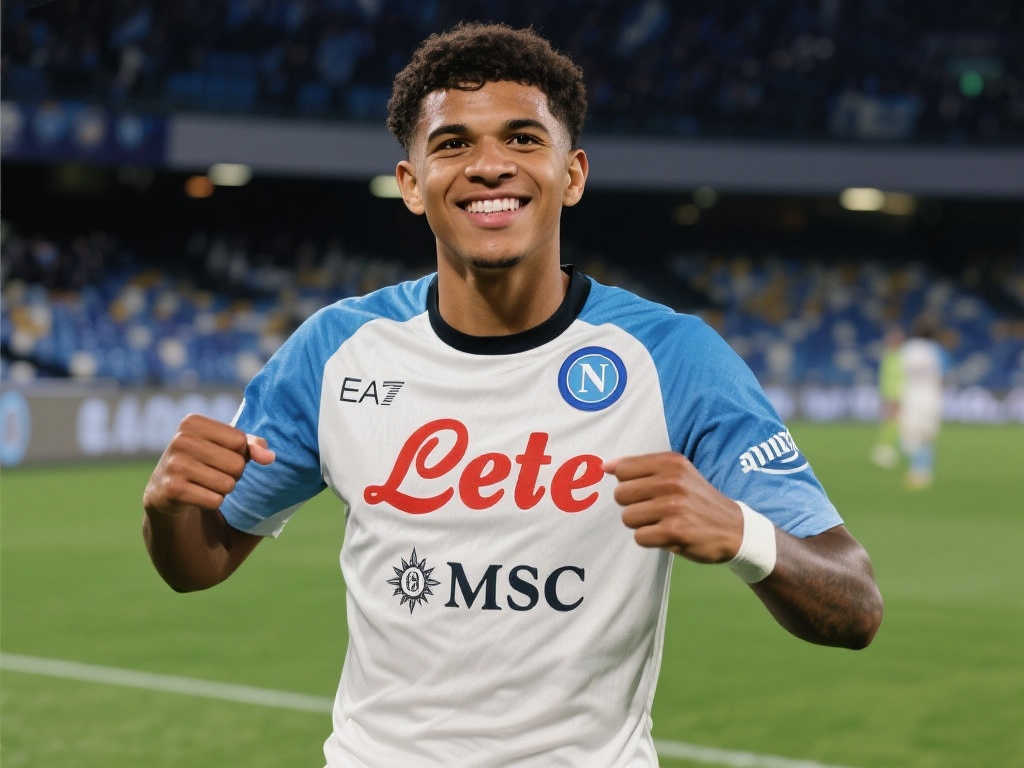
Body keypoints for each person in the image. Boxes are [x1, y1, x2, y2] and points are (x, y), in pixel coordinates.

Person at [142, 23, 883, 767]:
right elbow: (199, 562)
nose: (490, 166)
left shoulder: (673, 357)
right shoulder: (335, 351)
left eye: (524, 139)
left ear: (573, 174)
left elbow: (855, 606)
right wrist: (170, 511)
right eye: (453, 144)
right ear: (411, 183)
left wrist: (742, 533)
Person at [899, 317, 945, 488]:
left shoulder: (907, 349)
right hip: (931, 397)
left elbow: (900, 373)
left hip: (911, 396)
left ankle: (917, 470)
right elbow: (943, 374)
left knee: (911, 437)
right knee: (926, 437)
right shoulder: (936, 350)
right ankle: (923, 471)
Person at [871, 326, 904, 469]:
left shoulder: (893, 356)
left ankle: (885, 448)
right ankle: (884, 450)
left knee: (893, 422)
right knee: (891, 422)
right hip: (893, 394)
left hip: (894, 393)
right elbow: (890, 378)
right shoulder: (893, 357)